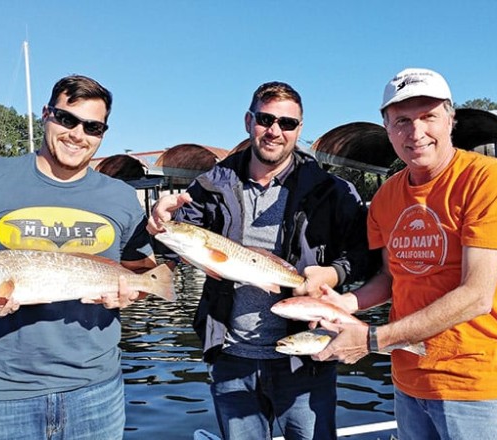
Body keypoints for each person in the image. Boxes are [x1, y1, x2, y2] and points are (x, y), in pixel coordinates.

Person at [0, 74, 157, 439]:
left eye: (92, 127)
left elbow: (141, 270)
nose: (78, 134)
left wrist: (131, 293)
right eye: (67, 119)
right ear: (46, 114)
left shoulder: (121, 197)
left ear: (103, 133)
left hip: (97, 393)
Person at [313, 68, 497, 439]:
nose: (416, 133)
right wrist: (344, 303)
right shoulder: (386, 197)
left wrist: (370, 340)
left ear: (450, 118)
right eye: (402, 121)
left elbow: (476, 296)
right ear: (386, 127)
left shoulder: (487, 179)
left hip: (477, 386)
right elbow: (389, 277)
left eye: (428, 116)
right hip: (408, 382)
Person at [147, 81, 371, 440]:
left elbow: (364, 255)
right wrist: (158, 224)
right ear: (249, 120)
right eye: (266, 119)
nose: (275, 131)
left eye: (288, 123)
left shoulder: (332, 190)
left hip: (306, 357)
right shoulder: (211, 185)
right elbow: (175, 242)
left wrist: (332, 271)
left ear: (299, 129)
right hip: (231, 355)